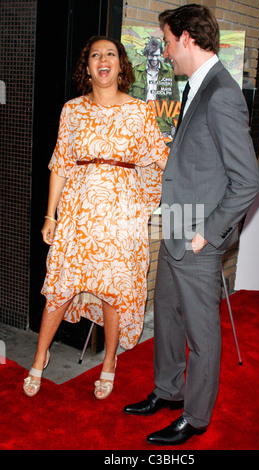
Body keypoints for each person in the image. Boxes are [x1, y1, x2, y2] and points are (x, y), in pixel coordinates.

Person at [123, 4, 259, 445]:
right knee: (166, 314)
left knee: (202, 333)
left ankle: (196, 416)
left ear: (187, 38)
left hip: (198, 235)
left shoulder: (221, 91)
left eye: (166, 40)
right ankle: (168, 391)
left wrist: (207, 235)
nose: (164, 50)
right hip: (176, 225)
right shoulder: (196, 88)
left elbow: (247, 183)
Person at [23, 35, 168, 399]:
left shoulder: (140, 111)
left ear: (121, 65)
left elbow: (161, 161)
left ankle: (109, 364)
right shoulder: (72, 110)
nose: (103, 60)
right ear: (87, 67)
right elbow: (59, 163)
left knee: (113, 290)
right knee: (58, 287)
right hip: (77, 212)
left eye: (111, 54)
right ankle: (40, 357)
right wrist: (49, 216)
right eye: (94, 55)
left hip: (122, 215)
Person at [129, 36, 179, 139]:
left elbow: (175, 101)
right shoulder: (135, 72)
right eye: (152, 55)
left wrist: (175, 123)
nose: (155, 59)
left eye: (157, 55)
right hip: (138, 125)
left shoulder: (169, 73)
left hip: (162, 127)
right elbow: (126, 99)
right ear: (147, 54)